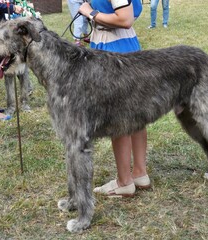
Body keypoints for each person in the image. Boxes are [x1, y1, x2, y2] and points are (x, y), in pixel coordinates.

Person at [79, 0, 151, 197]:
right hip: (128, 46)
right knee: (136, 116)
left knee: (118, 120)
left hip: (113, 52)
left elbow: (125, 18)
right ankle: (139, 173)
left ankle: (124, 181)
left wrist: (91, 13)